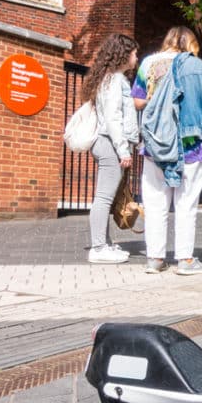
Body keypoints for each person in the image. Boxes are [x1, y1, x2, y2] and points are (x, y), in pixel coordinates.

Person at [132, 26, 202, 276]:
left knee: (155, 205)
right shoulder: (199, 67)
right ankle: (185, 260)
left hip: (156, 145)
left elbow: (137, 100)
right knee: (186, 205)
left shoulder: (149, 63)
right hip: (191, 146)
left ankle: (155, 259)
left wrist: (160, 104)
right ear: (191, 44)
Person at [84, 33, 140, 264]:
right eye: (135, 53)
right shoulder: (115, 81)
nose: (137, 58)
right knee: (104, 197)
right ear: (124, 55)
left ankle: (104, 244)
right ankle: (98, 248)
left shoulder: (108, 79)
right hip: (110, 143)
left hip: (107, 142)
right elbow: (113, 117)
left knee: (105, 196)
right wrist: (123, 150)